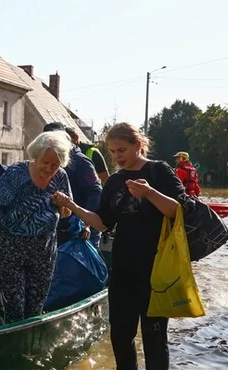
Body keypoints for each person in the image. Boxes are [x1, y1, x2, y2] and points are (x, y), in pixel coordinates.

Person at [51, 122, 185, 370]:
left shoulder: (159, 171)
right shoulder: (115, 181)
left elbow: (179, 211)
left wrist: (150, 194)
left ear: (138, 145)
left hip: (156, 268)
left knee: (154, 338)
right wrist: (72, 206)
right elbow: (102, 223)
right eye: (112, 152)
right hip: (123, 267)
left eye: (121, 150)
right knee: (121, 337)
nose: (116, 156)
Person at [0, 131, 72, 323]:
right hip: (11, 248)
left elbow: (66, 214)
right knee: (14, 304)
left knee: (36, 304)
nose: (49, 168)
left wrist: (63, 204)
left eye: (54, 165)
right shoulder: (16, 173)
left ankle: (31, 347)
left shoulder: (61, 177)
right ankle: (12, 344)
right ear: (36, 156)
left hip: (44, 250)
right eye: (45, 162)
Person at [42, 122, 102, 246]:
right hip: (60, 226)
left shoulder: (80, 161)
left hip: (80, 229)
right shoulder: (48, 160)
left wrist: (86, 223)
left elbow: (95, 193)